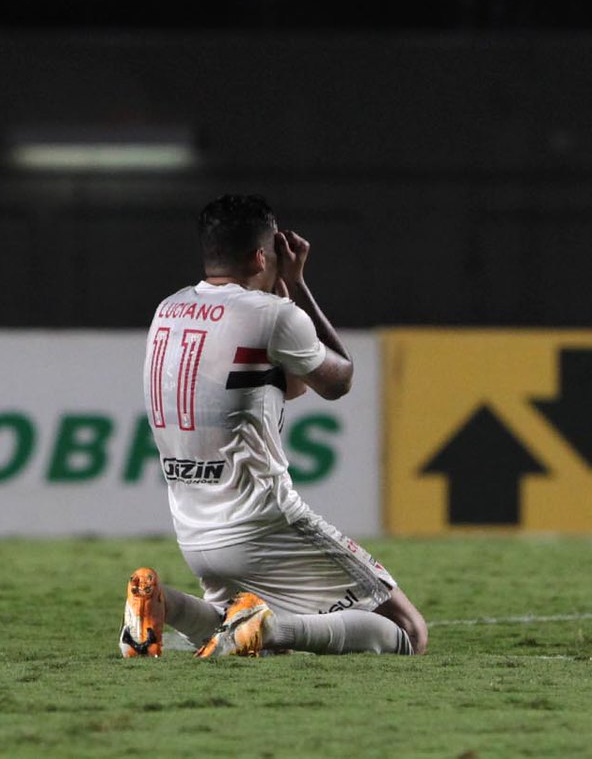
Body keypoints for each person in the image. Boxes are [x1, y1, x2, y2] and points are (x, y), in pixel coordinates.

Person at [124, 194, 428, 658]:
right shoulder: (274, 315)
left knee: (234, 631)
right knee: (406, 630)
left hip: (194, 531)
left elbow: (291, 386)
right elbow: (338, 380)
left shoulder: (167, 310)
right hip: (263, 522)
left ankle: (162, 607)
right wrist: (297, 284)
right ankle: (269, 628)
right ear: (262, 256)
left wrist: (278, 294)